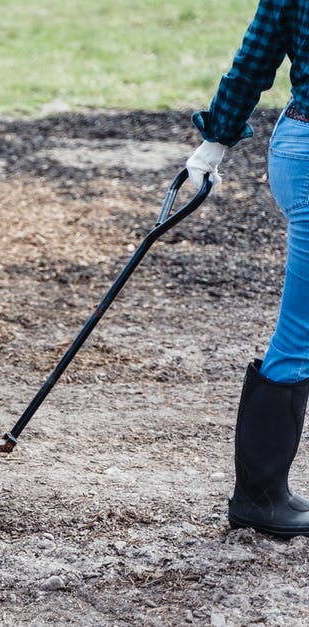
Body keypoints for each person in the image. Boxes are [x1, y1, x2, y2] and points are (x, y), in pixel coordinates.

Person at [184, 0, 309, 536]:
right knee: (300, 337)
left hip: (297, 147)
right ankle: (259, 497)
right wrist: (214, 140)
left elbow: (256, 57)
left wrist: (216, 140)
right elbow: (257, 56)